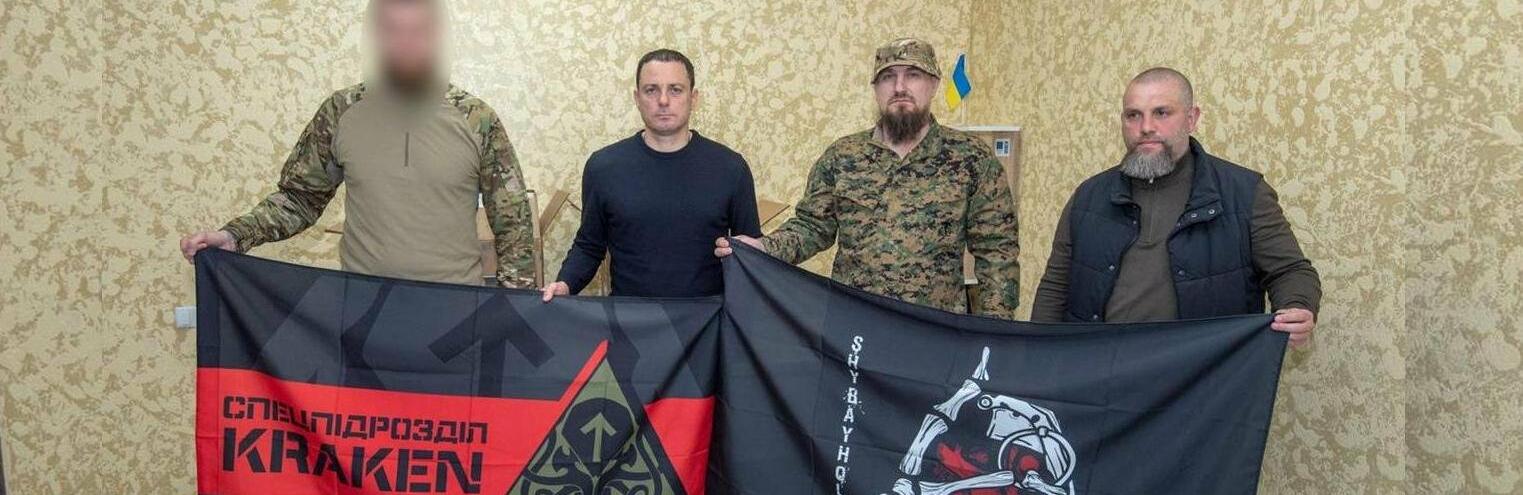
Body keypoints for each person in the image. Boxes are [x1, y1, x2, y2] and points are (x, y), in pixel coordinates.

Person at [178, 0, 533, 287]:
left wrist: (516, 308)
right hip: (363, 313)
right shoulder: (340, 111)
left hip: (456, 315)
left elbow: (512, 220)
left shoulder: (478, 119)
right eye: (393, 30)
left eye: (418, 31)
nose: (405, 43)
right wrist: (235, 236)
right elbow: (300, 199)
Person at [714, 38, 1020, 317]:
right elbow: (812, 228)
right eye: (888, 77)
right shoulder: (843, 156)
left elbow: (997, 251)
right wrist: (763, 248)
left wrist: (995, 332)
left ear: (934, 84)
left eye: (913, 75)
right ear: (875, 88)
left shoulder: (971, 158)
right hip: (853, 326)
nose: (900, 87)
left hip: (935, 330)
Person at [1030, 67, 1321, 346]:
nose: (1146, 127)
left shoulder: (1245, 193)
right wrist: (1040, 355)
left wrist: (1297, 306)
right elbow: (1056, 287)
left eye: (1161, 113)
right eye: (1133, 115)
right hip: (1098, 368)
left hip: (1202, 372)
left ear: (1192, 119)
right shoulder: (1088, 196)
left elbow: (1290, 271)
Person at [542, 49, 761, 300]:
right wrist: (565, 284)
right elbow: (589, 246)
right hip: (630, 317)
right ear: (637, 98)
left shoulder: (731, 168)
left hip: (708, 318)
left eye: (675, 90)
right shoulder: (603, 167)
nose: (663, 100)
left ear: (694, 98)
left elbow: (752, 253)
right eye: (651, 90)